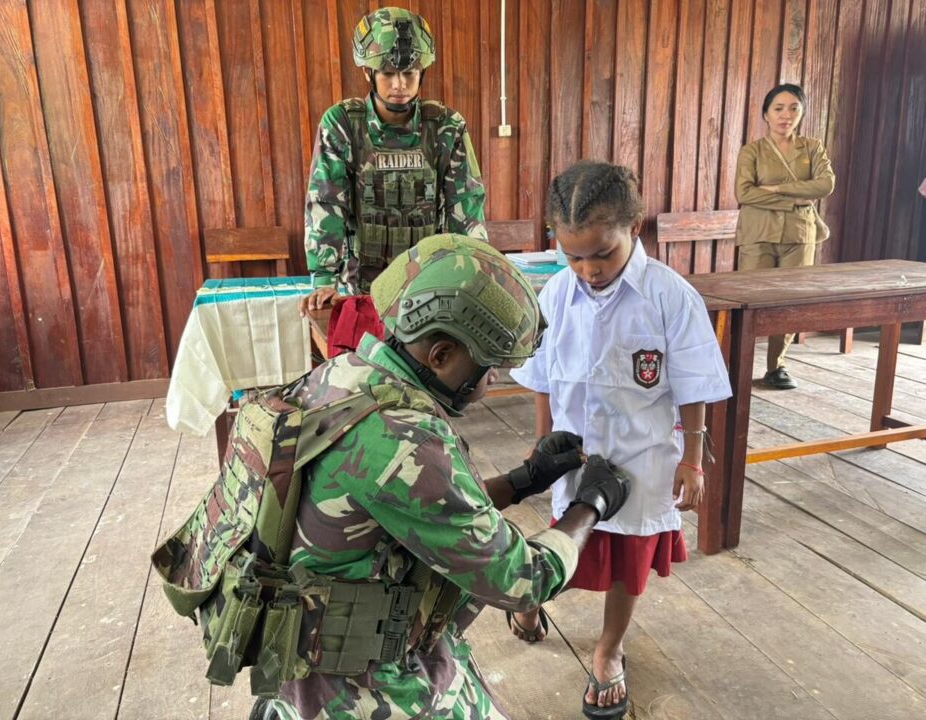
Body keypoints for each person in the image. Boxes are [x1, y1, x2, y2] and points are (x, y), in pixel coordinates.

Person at [251, 234, 631, 719]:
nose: (494, 380)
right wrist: (591, 505)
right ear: (442, 356)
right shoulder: (402, 438)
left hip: (299, 644)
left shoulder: (341, 376)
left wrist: (524, 480)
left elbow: (421, 509)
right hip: (354, 679)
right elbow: (521, 580)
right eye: (490, 367)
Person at [508, 162, 732, 719]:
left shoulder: (669, 296)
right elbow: (543, 377)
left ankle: (609, 649)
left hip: (644, 454)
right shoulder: (556, 295)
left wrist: (692, 457)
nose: (588, 269)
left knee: (628, 555)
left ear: (634, 226)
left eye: (601, 254)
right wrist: (544, 446)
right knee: (564, 538)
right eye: (573, 255)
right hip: (575, 451)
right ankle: (533, 602)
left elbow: (693, 381)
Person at [300, 7, 486, 316]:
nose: (399, 84)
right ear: (367, 73)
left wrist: (471, 270)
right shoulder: (343, 124)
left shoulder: (445, 125)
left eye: (409, 73)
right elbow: (326, 201)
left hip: (429, 285)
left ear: (421, 72)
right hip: (361, 290)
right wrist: (323, 278)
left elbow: (466, 205)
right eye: (388, 73)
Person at [735, 83, 836, 389]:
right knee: (749, 301)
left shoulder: (813, 148)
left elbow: (824, 185)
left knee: (790, 300)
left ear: (802, 113)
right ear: (766, 114)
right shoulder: (752, 151)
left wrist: (777, 189)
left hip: (799, 234)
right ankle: (738, 365)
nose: (786, 115)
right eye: (778, 108)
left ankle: (776, 366)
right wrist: (794, 199)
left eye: (793, 108)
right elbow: (744, 192)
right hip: (758, 233)